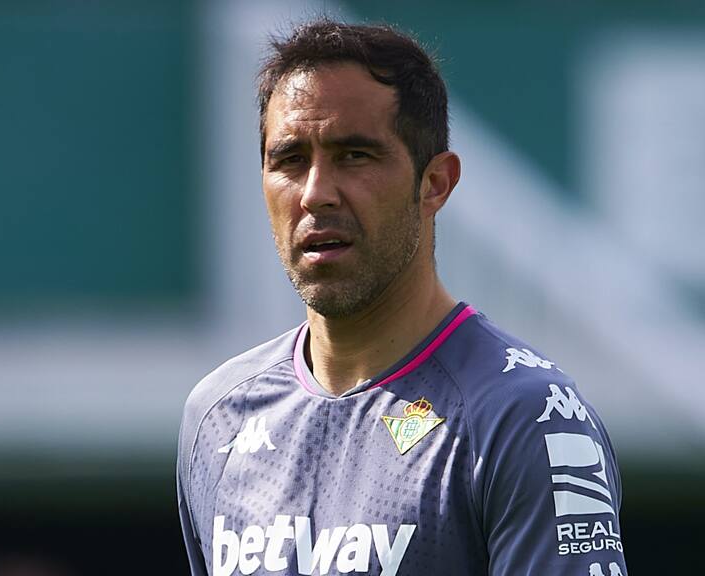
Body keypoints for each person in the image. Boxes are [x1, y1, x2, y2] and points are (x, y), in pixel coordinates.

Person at [177, 19, 628, 575]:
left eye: (354, 155)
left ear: (435, 183)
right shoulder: (219, 415)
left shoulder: (526, 417)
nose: (316, 193)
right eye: (290, 159)